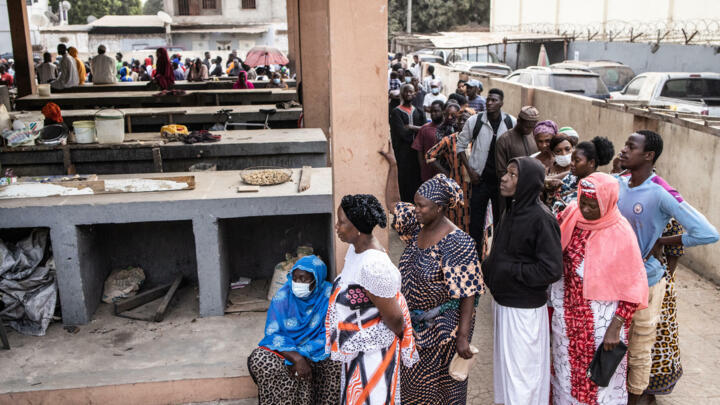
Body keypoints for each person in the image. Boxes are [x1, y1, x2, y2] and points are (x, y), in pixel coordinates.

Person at [615, 130, 719, 405]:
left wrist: (662, 239)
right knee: (612, 345)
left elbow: (708, 233)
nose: (623, 150)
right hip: (613, 281)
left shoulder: (661, 190)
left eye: (630, 146)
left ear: (648, 155)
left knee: (639, 351)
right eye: (625, 144)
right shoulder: (618, 183)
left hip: (645, 283)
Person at [380, 144, 484, 404]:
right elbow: (393, 204)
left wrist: (462, 338)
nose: (416, 209)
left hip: (443, 334)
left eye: (422, 206)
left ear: (439, 208)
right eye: (415, 204)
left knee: (441, 394)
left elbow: (469, 295)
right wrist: (394, 165)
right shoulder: (418, 225)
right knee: (413, 393)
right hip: (413, 330)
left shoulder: (457, 243)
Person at [551, 172, 649, 404]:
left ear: (608, 202)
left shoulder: (621, 232)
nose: (584, 209)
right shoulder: (572, 216)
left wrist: (616, 327)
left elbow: (633, 288)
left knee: (597, 382)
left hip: (601, 323)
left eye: (592, 205)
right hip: (568, 317)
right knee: (566, 376)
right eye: (582, 201)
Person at [482, 156, 562, 405]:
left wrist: (509, 270)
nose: (504, 178)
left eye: (513, 174)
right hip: (505, 305)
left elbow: (551, 270)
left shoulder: (542, 219)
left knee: (523, 378)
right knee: (507, 375)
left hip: (523, 312)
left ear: (527, 182)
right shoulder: (511, 209)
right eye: (506, 172)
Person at [327, 194, 418, 404]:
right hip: (358, 349)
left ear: (357, 228)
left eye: (342, 223)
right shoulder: (356, 249)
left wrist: (371, 337)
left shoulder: (373, 267)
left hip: (374, 356)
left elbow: (395, 319)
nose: (337, 227)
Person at [248, 255, 341, 405]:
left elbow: (331, 332)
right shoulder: (283, 296)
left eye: (304, 279)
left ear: (317, 279)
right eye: (295, 278)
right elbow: (273, 334)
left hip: (317, 349)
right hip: (287, 349)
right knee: (261, 358)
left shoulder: (328, 296)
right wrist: (296, 357)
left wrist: (304, 354)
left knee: (337, 360)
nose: (298, 283)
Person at [457, 88, 516, 253]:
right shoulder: (475, 121)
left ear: (501, 103)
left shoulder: (511, 122)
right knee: (475, 221)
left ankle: (497, 256)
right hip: (479, 180)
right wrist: (470, 171)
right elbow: (460, 147)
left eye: (494, 100)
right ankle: (474, 256)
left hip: (501, 182)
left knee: (501, 220)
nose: (490, 103)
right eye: (488, 100)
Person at [425, 106, 475, 235]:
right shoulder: (450, 140)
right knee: (456, 219)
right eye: (460, 120)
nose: (462, 123)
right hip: (456, 187)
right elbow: (430, 156)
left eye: (466, 120)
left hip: (476, 189)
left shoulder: (478, 139)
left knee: (475, 221)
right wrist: (447, 173)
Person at [546, 136, 615, 214]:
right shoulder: (571, 177)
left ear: (591, 163)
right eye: (572, 159)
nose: (572, 163)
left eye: (577, 160)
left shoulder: (595, 188)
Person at [389, 84, 425, 203]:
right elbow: (402, 133)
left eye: (411, 92)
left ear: (415, 93)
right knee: (404, 181)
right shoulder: (396, 112)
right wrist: (418, 131)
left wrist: (411, 127)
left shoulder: (419, 111)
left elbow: (426, 130)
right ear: (401, 94)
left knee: (417, 180)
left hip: (417, 154)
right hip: (403, 153)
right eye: (406, 92)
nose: (408, 94)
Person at [495, 106, 540, 179]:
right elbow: (501, 172)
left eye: (532, 127)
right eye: (527, 127)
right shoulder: (504, 140)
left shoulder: (533, 135)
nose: (529, 130)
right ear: (519, 121)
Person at [412, 100, 445, 182]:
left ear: (443, 111)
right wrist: (422, 166)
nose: (433, 114)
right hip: (428, 171)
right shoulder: (424, 128)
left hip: (444, 170)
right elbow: (419, 149)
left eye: (436, 111)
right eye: (432, 111)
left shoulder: (448, 128)